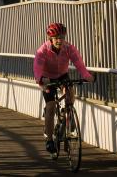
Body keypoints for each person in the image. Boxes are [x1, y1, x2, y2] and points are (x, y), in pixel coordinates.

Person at [33, 22, 94, 153]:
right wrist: (41, 79)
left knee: (71, 92)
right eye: (56, 38)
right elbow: (37, 68)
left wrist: (86, 75)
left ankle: (68, 115)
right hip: (47, 77)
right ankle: (49, 140)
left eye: (62, 37)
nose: (59, 40)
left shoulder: (69, 48)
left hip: (62, 75)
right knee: (50, 107)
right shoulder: (42, 50)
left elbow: (78, 62)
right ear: (50, 39)